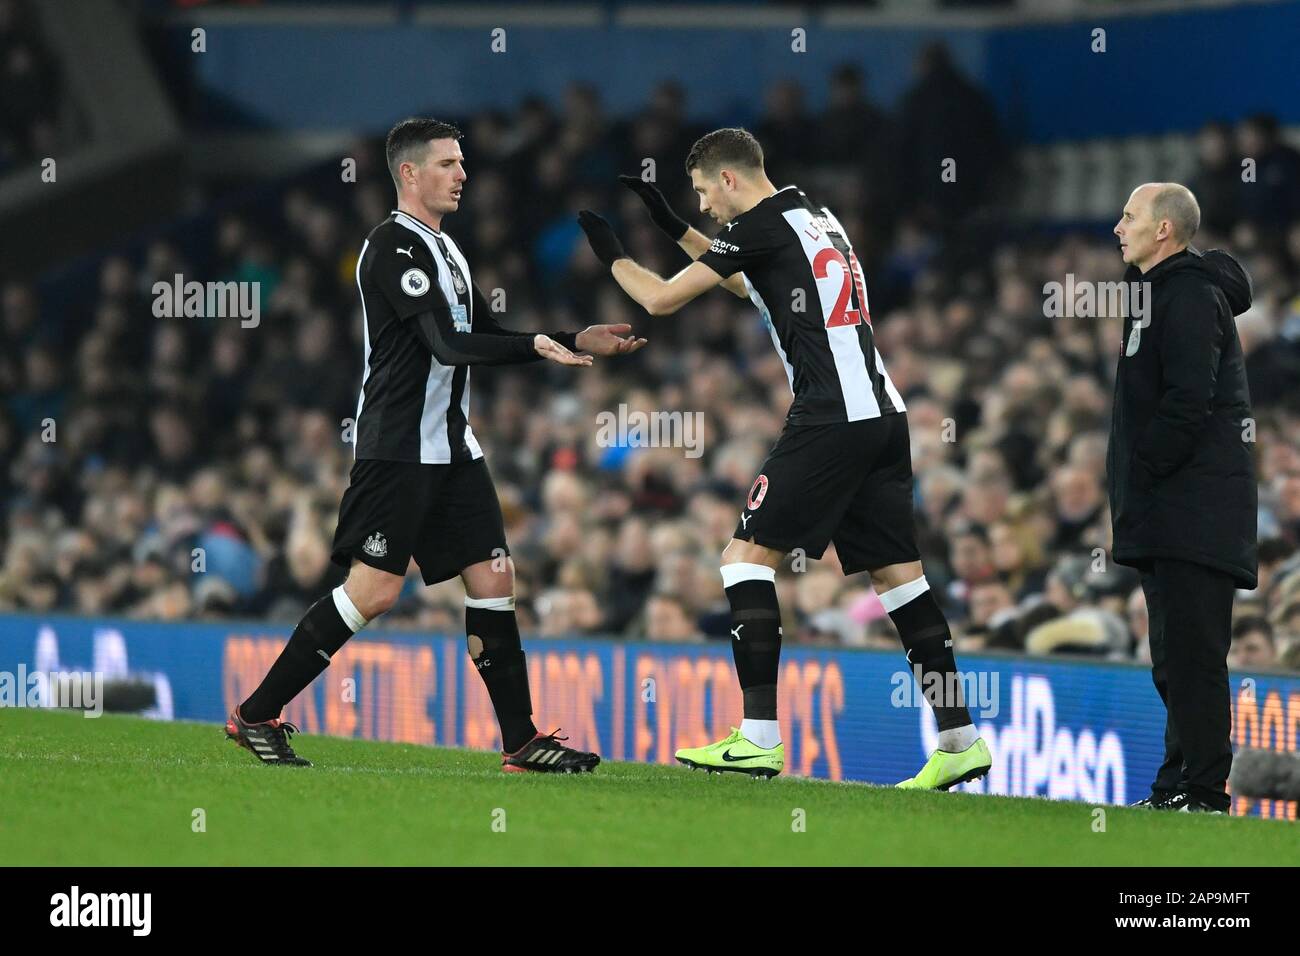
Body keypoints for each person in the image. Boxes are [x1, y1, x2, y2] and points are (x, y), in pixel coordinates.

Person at [225, 118, 645, 772]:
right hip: (396, 448)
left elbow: (486, 332)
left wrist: (568, 336)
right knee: (373, 594)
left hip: (453, 448)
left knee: (495, 580)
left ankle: (522, 742)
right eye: (448, 163)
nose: (462, 174)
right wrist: (535, 345)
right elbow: (446, 344)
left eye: (462, 163)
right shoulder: (391, 246)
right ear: (410, 174)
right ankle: (255, 714)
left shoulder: (447, 250)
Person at [577, 128, 991, 788]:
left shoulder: (760, 225)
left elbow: (657, 299)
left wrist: (612, 256)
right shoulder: (813, 216)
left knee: (743, 561)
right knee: (899, 581)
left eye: (706, 192)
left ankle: (759, 738)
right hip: (883, 414)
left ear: (732, 180)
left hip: (830, 417)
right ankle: (961, 738)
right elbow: (754, 287)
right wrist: (677, 226)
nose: (708, 207)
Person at [1109, 182, 1257, 813]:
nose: (1118, 226)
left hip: (1195, 509)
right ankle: (1174, 786)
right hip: (1167, 511)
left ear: (1163, 230)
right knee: (1172, 659)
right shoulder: (1153, 295)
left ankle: (1204, 791)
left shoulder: (1192, 297)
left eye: (1130, 216)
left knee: (1195, 657)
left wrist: (1142, 469)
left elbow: (1187, 402)